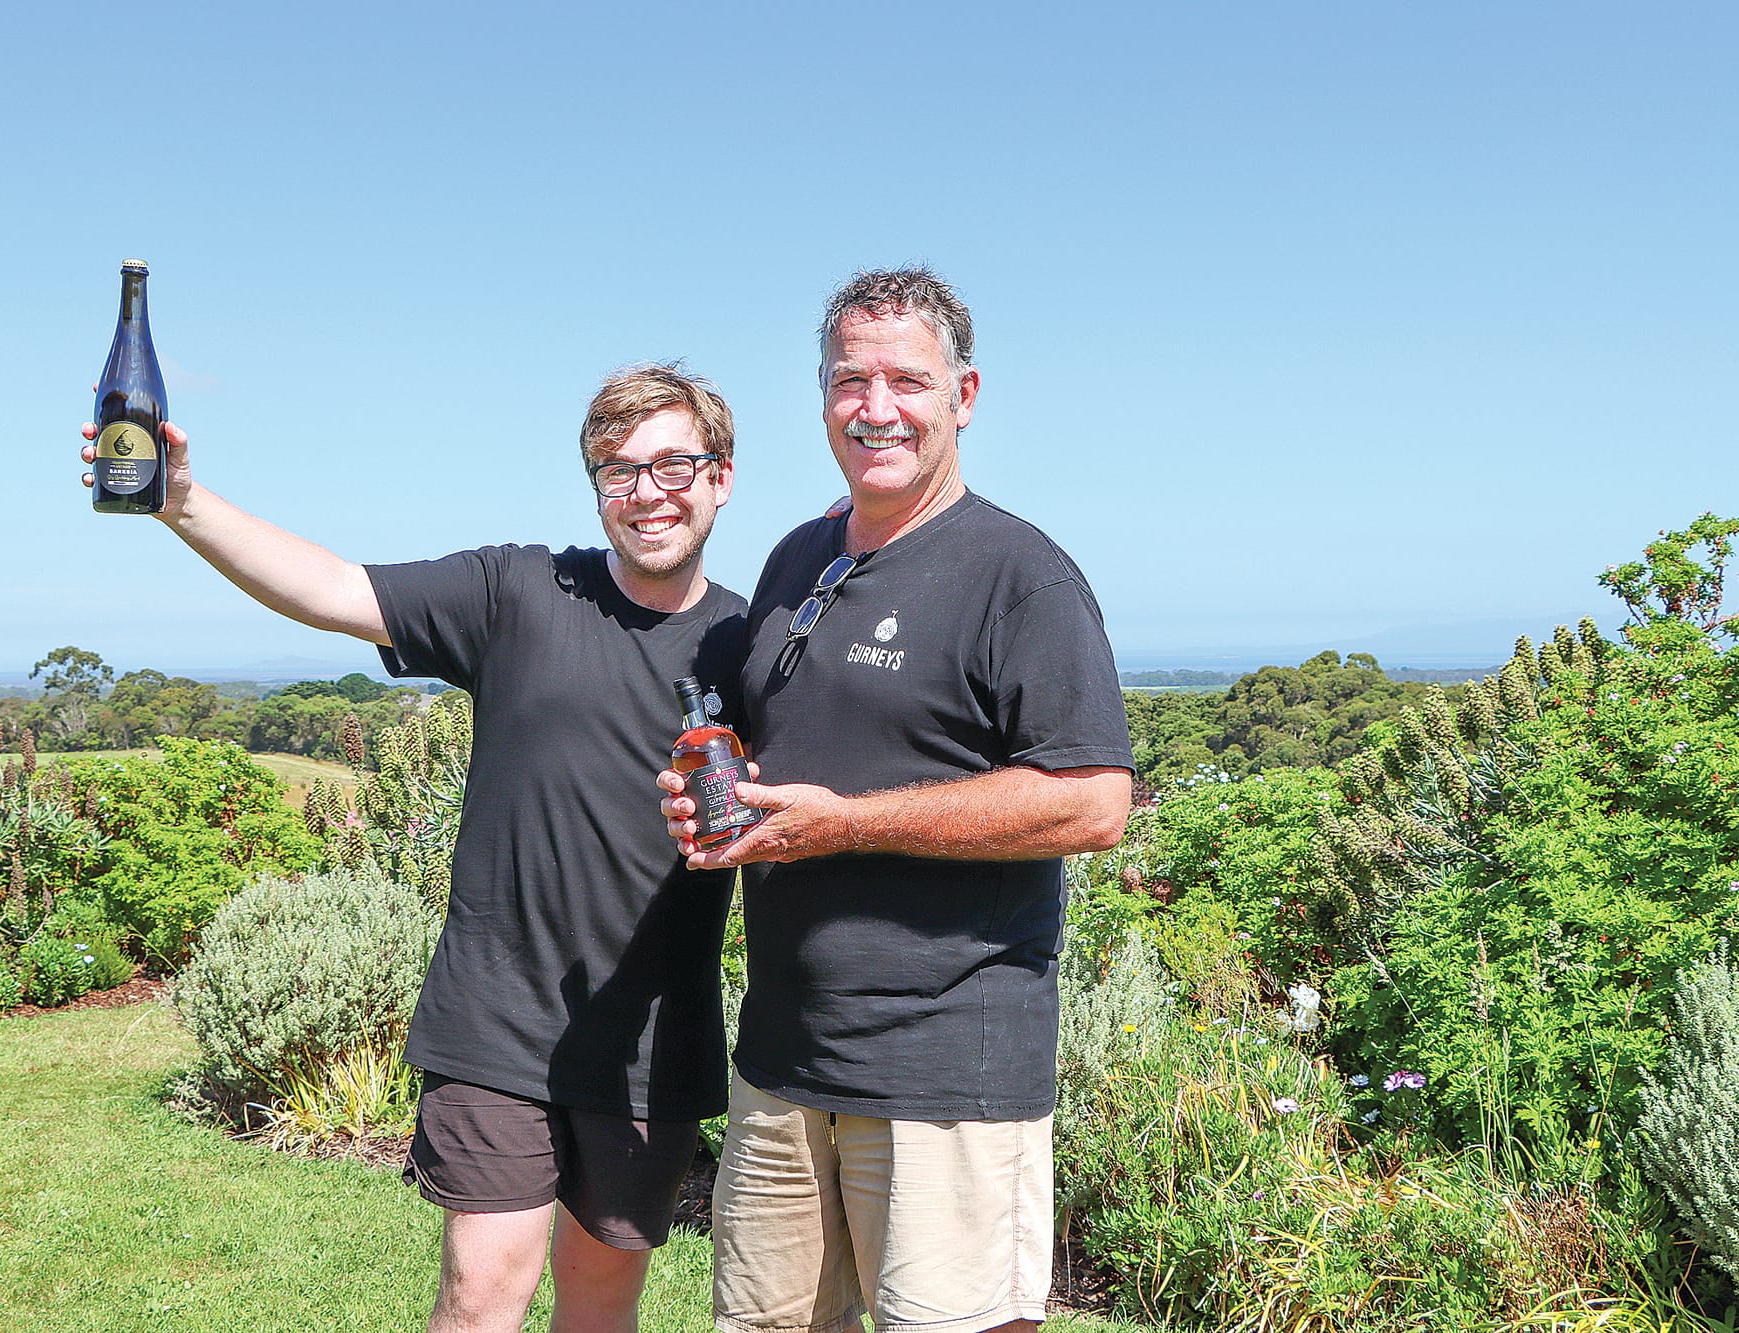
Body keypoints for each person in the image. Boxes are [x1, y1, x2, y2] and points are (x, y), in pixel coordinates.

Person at [82, 365, 747, 1333]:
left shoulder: (750, 637)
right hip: (498, 1021)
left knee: (602, 1306)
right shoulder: (519, 589)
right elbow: (328, 588)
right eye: (616, 471)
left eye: (672, 465)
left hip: (651, 1035)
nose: (645, 492)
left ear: (719, 477)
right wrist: (181, 500)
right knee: (480, 1299)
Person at [659, 269, 1135, 1333]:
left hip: (942, 1063)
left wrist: (847, 823)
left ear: (961, 395)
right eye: (848, 380)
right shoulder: (798, 556)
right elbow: (766, 741)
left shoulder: (1020, 574)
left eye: (904, 381)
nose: (875, 407)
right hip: (782, 1054)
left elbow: (1094, 801)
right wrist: (713, 799)